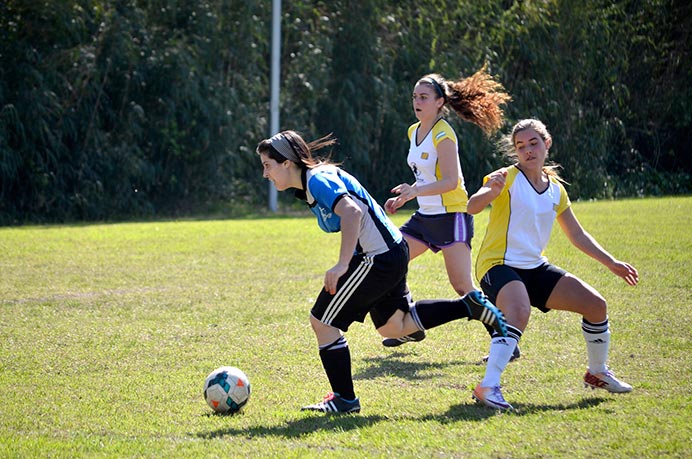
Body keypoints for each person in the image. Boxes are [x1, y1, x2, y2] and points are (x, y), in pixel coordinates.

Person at [256, 130, 508, 414]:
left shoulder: (317, 180)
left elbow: (351, 213)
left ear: (287, 162)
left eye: (268, 165)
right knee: (394, 326)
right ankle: (468, 306)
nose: (265, 173)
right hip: (391, 251)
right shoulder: (313, 181)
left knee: (322, 322)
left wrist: (341, 266)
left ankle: (345, 400)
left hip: (378, 257)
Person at [466, 119, 639, 411]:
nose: (527, 150)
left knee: (596, 305)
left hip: (534, 267)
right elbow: (472, 205)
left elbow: (577, 234)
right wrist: (490, 193)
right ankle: (488, 386)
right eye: (520, 146)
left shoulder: (556, 190)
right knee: (519, 311)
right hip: (497, 265)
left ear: (547, 143)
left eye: (533, 143)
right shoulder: (505, 177)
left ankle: (597, 372)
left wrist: (611, 262)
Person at [381, 66, 518, 358]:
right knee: (392, 258)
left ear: (440, 102)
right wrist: (406, 194)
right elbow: (425, 177)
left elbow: (450, 181)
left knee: (462, 285)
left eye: (424, 97)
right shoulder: (413, 131)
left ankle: (505, 339)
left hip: (452, 216)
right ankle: (410, 325)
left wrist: (415, 191)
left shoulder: (444, 134)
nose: (417, 102)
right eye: (415, 96)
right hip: (424, 218)